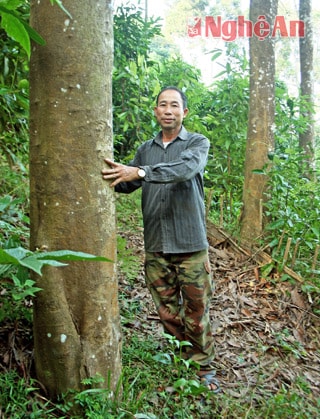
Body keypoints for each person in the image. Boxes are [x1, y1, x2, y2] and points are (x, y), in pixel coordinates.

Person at [102, 86, 220, 393]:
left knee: (195, 313)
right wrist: (108, 175)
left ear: (184, 112)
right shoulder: (146, 149)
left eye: (174, 106)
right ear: (155, 111)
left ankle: (202, 366)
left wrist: (140, 172)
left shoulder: (196, 143)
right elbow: (127, 184)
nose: (168, 110)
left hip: (190, 245)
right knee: (167, 311)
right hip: (157, 245)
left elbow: (184, 170)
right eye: (162, 105)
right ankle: (180, 360)